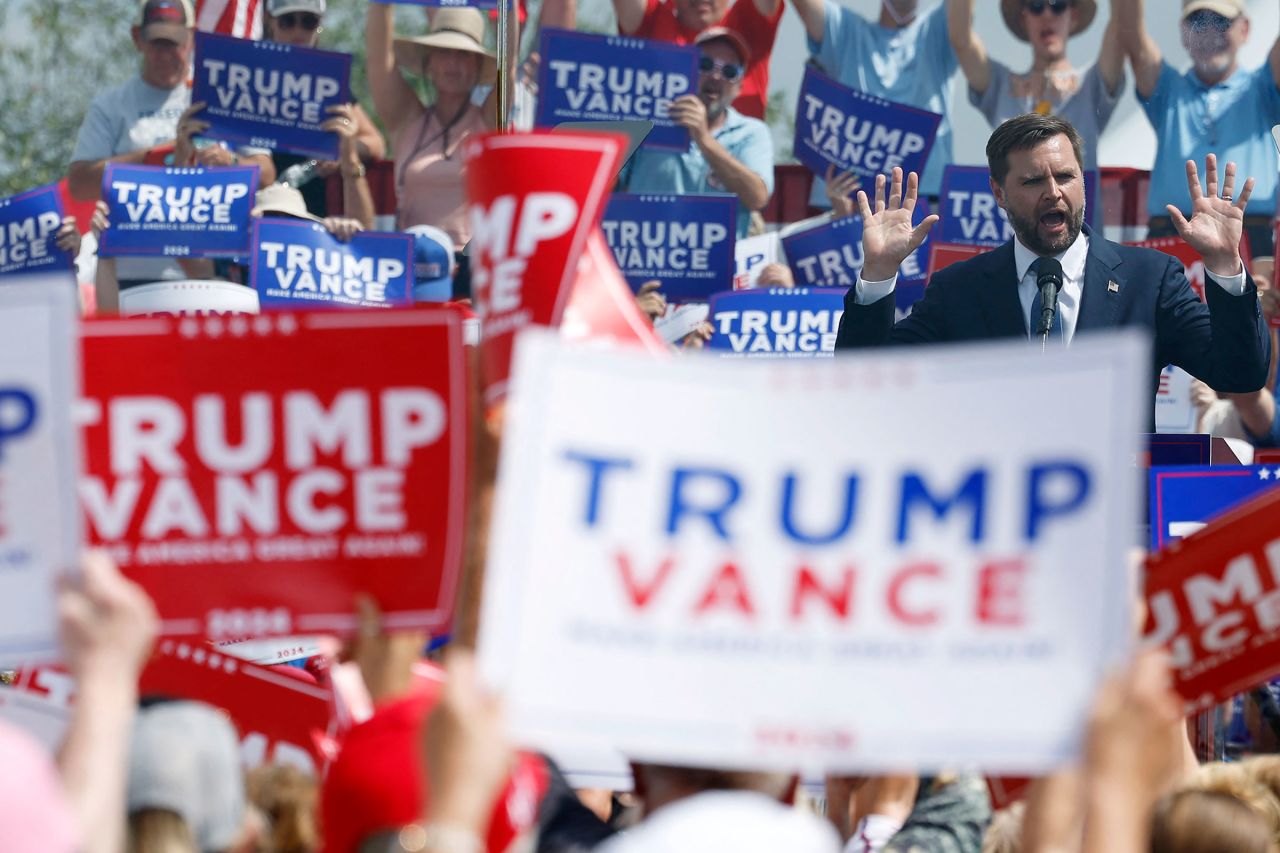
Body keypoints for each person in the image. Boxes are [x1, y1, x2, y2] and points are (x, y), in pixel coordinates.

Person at [834, 114, 1272, 410]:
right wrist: (878, 273)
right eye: (1031, 181)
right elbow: (864, 386)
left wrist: (1225, 266)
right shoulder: (959, 291)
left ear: (1083, 180)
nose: (1053, 192)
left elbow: (1240, 373)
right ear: (999, 193)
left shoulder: (1149, 280)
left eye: (1065, 176)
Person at [67, 0, 274, 294]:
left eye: (174, 43)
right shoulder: (111, 104)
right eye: (157, 44)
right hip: (131, 271)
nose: (165, 55)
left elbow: (266, 173)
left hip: (208, 271)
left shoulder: (221, 94)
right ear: (137, 38)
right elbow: (79, 182)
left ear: (191, 38)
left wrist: (229, 160)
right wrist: (163, 154)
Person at [1115, 0, 1280, 286]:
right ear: (1183, 33)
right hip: (1171, 239)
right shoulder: (1167, 89)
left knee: (1251, 329)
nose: (1210, 34)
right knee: (1167, 331)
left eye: (1221, 22)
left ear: (1245, 28)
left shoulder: (1262, 87)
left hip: (1251, 239)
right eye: (1199, 23)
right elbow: (1130, 32)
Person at [365, 4, 515, 249]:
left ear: (478, 65)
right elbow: (378, 58)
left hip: (472, 268)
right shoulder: (407, 121)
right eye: (444, 52)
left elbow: (509, 61)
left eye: (463, 54)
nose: (453, 63)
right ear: (429, 62)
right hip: (413, 265)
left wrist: (507, 8)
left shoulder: (489, 122)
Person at [788, 0, 959, 208]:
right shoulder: (845, 30)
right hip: (847, 205)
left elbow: (962, 22)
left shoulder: (936, 29)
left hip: (923, 204)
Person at [622, 28, 774, 239]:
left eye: (729, 72)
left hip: (713, 268)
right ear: (685, 69)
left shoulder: (752, 132)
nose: (715, 76)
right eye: (705, 65)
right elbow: (604, 183)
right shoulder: (648, 120)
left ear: (739, 87)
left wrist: (703, 138)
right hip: (645, 261)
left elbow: (757, 197)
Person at [948, 0, 1125, 177]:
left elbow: (1122, 28)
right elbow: (961, 39)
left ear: (1074, 15)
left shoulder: (1091, 83)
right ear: (1023, 19)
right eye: (1036, 6)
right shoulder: (1000, 83)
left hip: (1079, 206)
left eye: (1058, 5)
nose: (1047, 15)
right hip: (1014, 205)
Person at [261, 0, 386, 219]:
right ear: (271, 23)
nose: (298, 31)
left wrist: (342, 151)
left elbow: (375, 142)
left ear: (319, 26)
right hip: (255, 208)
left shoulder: (328, 82)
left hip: (312, 212)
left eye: (308, 22)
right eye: (288, 21)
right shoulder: (249, 72)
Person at [610, 0, 783, 121]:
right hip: (660, 162)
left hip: (731, 161)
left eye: (728, 71)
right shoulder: (651, 20)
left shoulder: (748, 21)